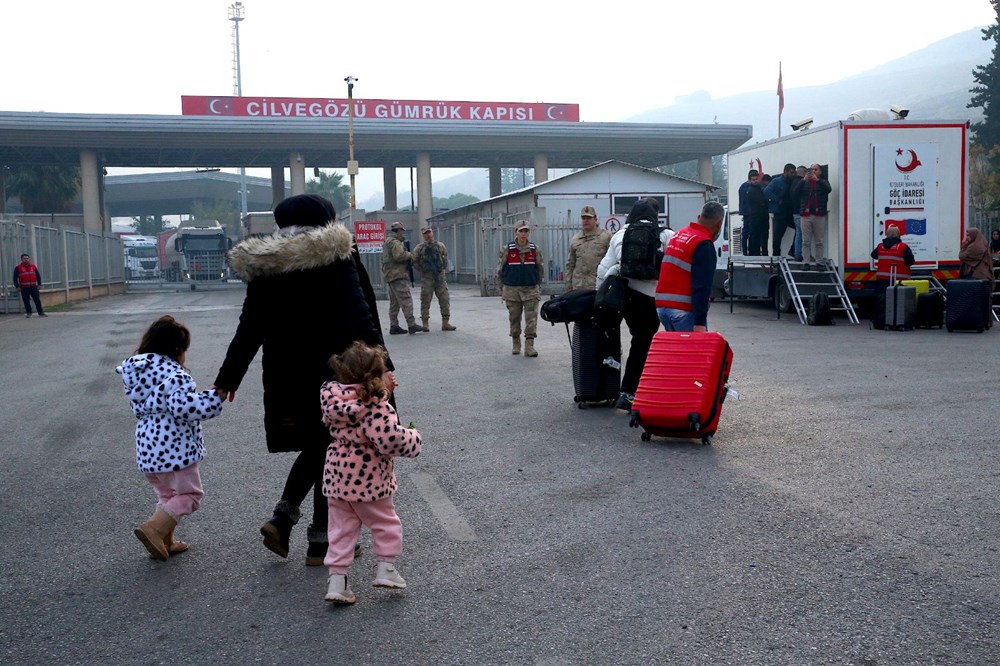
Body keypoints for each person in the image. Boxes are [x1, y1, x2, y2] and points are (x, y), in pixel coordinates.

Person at [213, 194, 391, 566]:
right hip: (337, 373)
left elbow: (250, 327)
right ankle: (314, 537)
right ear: (327, 221)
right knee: (333, 446)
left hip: (286, 374)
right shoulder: (335, 257)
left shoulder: (266, 266)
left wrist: (228, 377)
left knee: (321, 445)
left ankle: (292, 522)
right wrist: (382, 366)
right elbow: (359, 315)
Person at [320, 341, 423, 605]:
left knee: (340, 531)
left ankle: (337, 581)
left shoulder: (334, 401)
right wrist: (413, 437)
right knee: (385, 524)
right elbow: (388, 440)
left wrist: (384, 389)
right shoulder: (375, 406)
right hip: (369, 480)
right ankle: (386, 569)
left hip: (337, 478)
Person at [116, 315, 223, 561]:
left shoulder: (139, 374)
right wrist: (214, 398)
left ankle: (165, 540)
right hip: (175, 449)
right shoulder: (175, 376)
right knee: (190, 495)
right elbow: (185, 408)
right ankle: (154, 528)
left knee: (167, 496)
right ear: (177, 350)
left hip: (147, 447)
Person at [596, 198, 674, 411]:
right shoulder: (666, 235)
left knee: (614, 341)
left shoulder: (619, 235)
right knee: (642, 344)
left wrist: (599, 295)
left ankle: (606, 387)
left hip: (624, 296)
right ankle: (630, 392)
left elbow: (603, 270)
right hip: (651, 298)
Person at [655, 201, 726, 333]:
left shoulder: (679, 234)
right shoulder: (703, 244)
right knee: (695, 352)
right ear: (720, 224)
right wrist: (699, 322)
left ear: (699, 217)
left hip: (663, 308)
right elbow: (702, 286)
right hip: (683, 311)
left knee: (680, 352)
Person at [497, 222, 544, 357]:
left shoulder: (535, 250)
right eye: (521, 231)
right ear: (516, 232)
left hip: (530, 289)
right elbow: (500, 270)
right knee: (514, 318)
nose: (524, 234)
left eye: (526, 231)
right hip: (512, 289)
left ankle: (529, 345)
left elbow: (540, 269)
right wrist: (503, 288)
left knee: (531, 318)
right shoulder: (507, 249)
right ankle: (516, 342)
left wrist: (537, 285)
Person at [411, 226, 456, 332]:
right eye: (425, 233)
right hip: (427, 278)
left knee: (444, 299)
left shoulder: (440, 245)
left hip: (440, 277)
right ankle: (425, 323)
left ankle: (445, 323)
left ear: (432, 233)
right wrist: (423, 270)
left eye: (429, 232)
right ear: (423, 235)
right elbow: (414, 261)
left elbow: (445, 257)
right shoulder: (419, 248)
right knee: (425, 300)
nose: (428, 235)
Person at [383, 221, 422, 335]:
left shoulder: (387, 242)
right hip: (397, 275)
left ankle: (394, 325)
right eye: (402, 231)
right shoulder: (395, 243)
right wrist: (410, 255)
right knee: (406, 299)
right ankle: (411, 324)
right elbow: (399, 256)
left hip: (390, 275)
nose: (402, 233)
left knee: (394, 302)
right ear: (399, 231)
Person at [564, 205, 611, 291]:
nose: (586, 220)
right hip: (578, 286)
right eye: (583, 218)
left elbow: (612, 262)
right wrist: (568, 284)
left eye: (589, 218)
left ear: (595, 219)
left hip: (597, 286)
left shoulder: (605, 237)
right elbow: (571, 264)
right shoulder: (576, 239)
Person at [799, 163, 832, 270]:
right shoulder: (804, 183)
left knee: (819, 241)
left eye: (816, 170)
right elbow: (794, 192)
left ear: (820, 172)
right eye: (811, 170)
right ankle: (806, 262)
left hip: (819, 215)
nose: (813, 172)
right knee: (806, 241)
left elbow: (828, 189)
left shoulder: (823, 182)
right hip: (806, 215)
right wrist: (804, 179)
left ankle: (819, 262)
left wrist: (818, 180)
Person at [870, 225, 915, 294]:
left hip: (882, 280)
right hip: (899, 281)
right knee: (899, 301)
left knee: (883, 300)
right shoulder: (903, 247)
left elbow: (873, 255)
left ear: (887, 234)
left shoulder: (880, 246)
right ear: (899, 235)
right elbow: (911, 261)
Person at [765, 164, 797, 257]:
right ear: (786, 171)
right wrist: (778, 200)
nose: (793, 174)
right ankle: (776, 257)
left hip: (790, 212)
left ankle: (793, 250)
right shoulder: (777, 181)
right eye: (791, 172)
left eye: (794, 172)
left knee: (800, 229)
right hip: (780, 213)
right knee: (777, 238)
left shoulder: (793, 181)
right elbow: (767, 191)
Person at [13, 253, 46, 318]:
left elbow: (38, 276)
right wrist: (17, 286)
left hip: (33, 287)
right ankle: (29, 313)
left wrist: (39, 284)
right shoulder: (18, 268)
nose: (26, 260)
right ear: (22, 260)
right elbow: (15, 278)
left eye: (27, 258)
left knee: (37, 300)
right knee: (26, 301)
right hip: (24, 288)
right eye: (24, 259)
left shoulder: (33, 267)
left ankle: (41, 312)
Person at [745, 174, 770, 256]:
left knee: (765, 235)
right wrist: (765, 201)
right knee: (755, 236)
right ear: (750, 180)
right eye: (753, 179)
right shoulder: (750, 190)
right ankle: (756, 254)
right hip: (755, 217)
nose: (755, 181)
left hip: (763, 216)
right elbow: (761, 200)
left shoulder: (760, 188)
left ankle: (765, 253)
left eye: (756, 179)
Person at [788, 166, 809, 261]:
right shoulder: (801, 183)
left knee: (799, 232)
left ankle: (796, 253)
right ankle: (799, 254)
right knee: (802, 234)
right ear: (804, 173)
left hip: (795, 212)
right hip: (800, 213)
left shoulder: (793, 183)